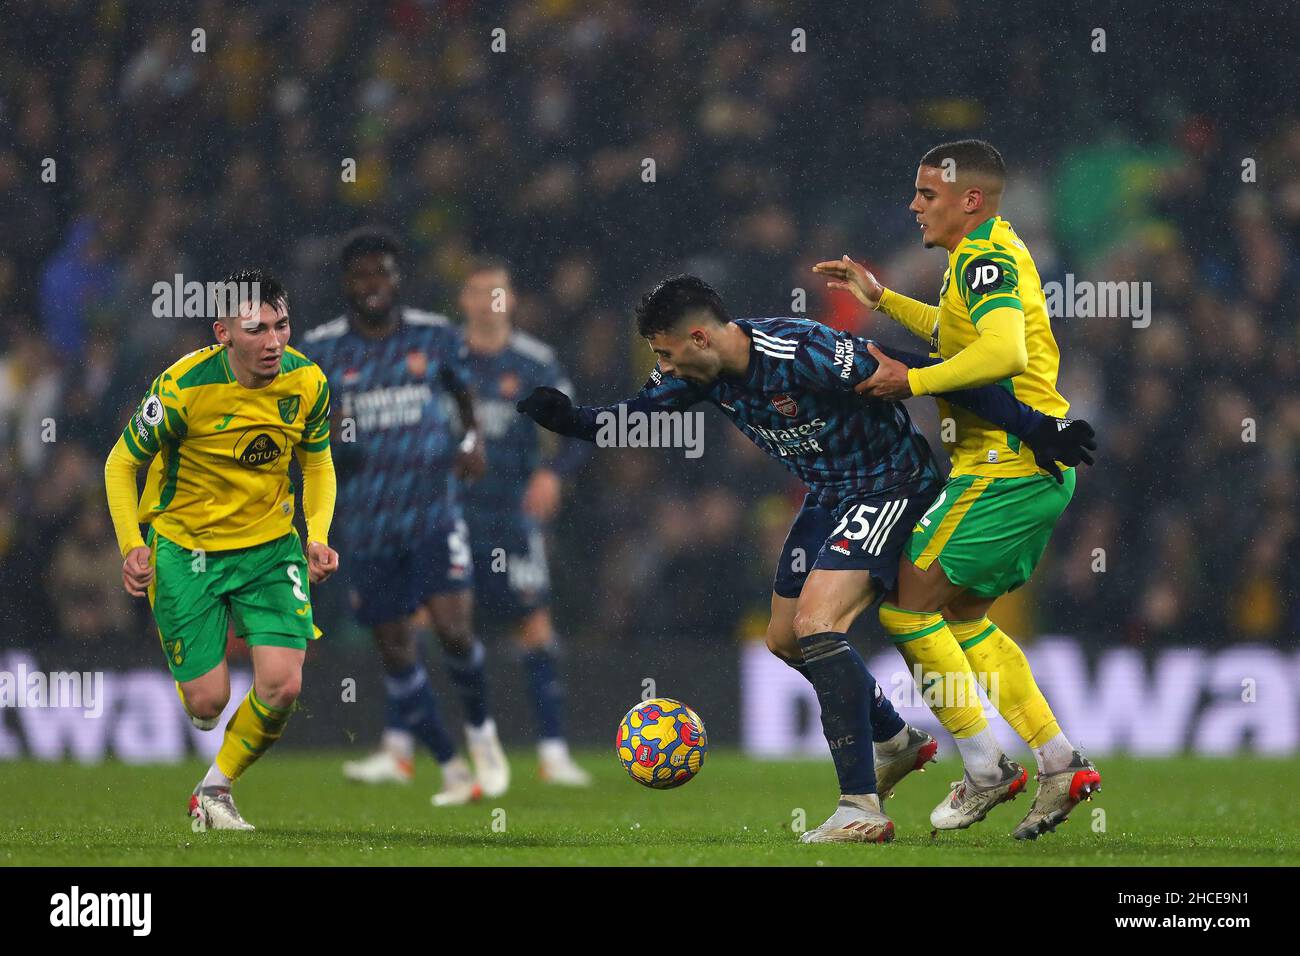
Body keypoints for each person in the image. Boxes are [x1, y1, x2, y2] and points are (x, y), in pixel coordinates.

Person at [518, 275, 1095, 842]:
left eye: (665, 354)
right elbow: (636, 416)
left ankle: (859, 807)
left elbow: (926, 374)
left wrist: (1036, 427)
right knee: (784, 638)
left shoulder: (799, 349)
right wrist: (569, 419)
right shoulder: (699, 374)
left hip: (891, 484)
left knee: (819, 624)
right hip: (828, 496)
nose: (662, 368)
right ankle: (896, 740)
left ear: (699, 338)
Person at [814, 138, 1101, 838]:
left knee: (908, 613)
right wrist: (884, 302)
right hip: (1026, 470)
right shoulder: (988, 254)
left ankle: (986, 769)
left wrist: (910, 380)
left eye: (927, 194)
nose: (914, 205)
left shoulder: (985, 258)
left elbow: (1002, 353)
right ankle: (1059, 761)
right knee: (965, 621)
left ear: (969, 199)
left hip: (1002, 465)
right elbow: (960, 337)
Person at [103, 269, 338, 830]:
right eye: (256, 329)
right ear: (224, 332)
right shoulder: (182, 388)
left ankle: (214, 790)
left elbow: (319, 461)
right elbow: (120, 464)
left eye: (282, 326)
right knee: (207, 705)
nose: (273, 341)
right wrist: (132, 546)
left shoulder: (307, 382)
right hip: (186, 548)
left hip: (268, 547)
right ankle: (208, 735)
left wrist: (319, 534)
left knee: (283, 684)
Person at [303, 228, 507, 807]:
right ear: (346, 284)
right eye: (361, 275)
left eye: (381, 273)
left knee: (454, 630)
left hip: (433, 513)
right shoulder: (321, 351)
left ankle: (483, 736)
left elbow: (466, 397)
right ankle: (443, 766)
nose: (371, 285)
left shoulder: (435, 336)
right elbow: (309, 433)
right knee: (395, 649)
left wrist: (472, 440)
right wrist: (332, 434)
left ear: (398, 280)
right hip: (366, 525)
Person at [457, 257, 591, 785]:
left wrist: (553, 474)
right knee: (437, 624)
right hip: (451, 514)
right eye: (478, 290)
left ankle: (553, 754)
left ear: (511, 300)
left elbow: (577, 428)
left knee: (534, 625)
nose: (490, 300)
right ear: (463, 300)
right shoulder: (443, 356)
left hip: (513, 516)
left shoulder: (535, 362)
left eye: (499, 291)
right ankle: (430, 748)